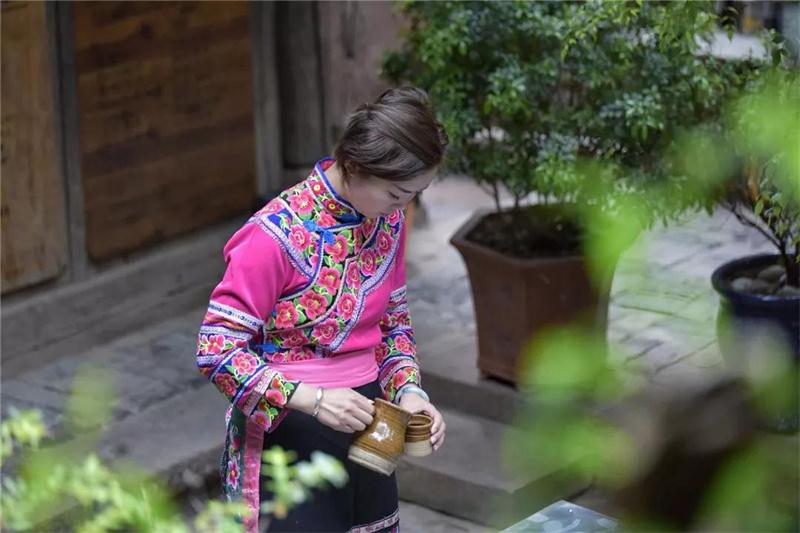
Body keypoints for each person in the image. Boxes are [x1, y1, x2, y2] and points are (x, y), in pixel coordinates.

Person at [196, 86, 449, 533]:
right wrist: (313, 400)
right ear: (355, 166)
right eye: (396, 193)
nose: (404, 207)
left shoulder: (387, 220)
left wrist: (410, 392)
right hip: (291, 423)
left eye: (415, 194)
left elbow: (393, 324)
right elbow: (217, 349)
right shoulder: (274, 234)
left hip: (372, 421)